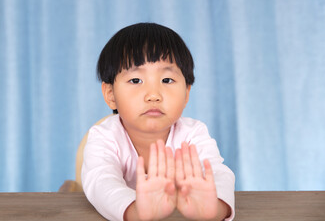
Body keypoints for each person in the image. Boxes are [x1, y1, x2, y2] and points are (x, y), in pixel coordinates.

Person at [81, 23, 235, 221]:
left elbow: (218, 173)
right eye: (136, 80)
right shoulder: (103, 136)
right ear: (110, 94)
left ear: (186, 93)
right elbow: (100, 182)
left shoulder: (194, 133)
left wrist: (215, 208)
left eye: (167, 80)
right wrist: (135, 211)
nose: (153, 95)